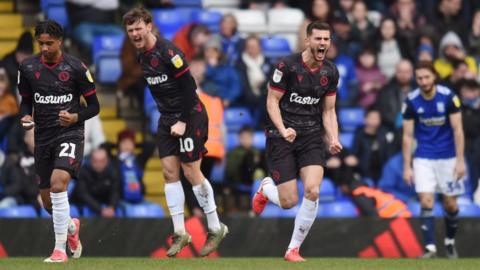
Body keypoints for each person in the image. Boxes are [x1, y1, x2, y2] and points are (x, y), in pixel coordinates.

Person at [122, 7, 228, 258]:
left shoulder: (169, 52)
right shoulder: (142, 57)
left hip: (189, 114)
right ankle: (180, 232)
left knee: (191, 171)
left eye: (138, 28)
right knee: (169, 172)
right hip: (167, 118)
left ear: (149, 26)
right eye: (130, 31)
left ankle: (215, 226)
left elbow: (190, 88)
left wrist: (182, 120)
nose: (135, 34)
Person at [252, 21, 342, 262]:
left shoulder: (330, 72)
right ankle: (265, 188)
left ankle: (293, 249)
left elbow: (328, 111)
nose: (322, 43)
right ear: (307, 40)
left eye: (326, 39)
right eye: (318, 39)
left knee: (313, 190)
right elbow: (272, 102)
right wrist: (283, 129)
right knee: (288, 201)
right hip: (281, 136)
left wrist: (333, 137)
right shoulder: (286, 66)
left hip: (311, 136)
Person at [17, 20, 100, 262]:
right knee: (47, 203)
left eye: (49, 43)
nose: (44, 48)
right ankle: (72, 228)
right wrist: (25, 115)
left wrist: (75, 116)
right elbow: (25, 101)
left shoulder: (76, 68)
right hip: (43, 137)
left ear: (60, 41)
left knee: (58, 184)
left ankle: (59, 250)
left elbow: (94, 106)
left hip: (69, 133)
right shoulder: (28, 67)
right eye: (40, 43)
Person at [402, 61, 465, 259]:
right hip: (424, 157)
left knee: (450, 205)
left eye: (427, 77)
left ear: (434, 76)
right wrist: (407, 166)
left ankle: (449, 241)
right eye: (419, 78)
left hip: (448, 157)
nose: (423, 81)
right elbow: (407, 135)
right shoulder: (411, 101)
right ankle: (430, 248)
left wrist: (460, 160)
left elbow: (458, 130)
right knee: (426, 200)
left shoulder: (449, 97)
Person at [72, 148, 121, 217]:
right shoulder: (83, 171)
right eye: (95, 161)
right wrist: (100, 209)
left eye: (102, 161)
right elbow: (82, 194)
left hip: (106, 205)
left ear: (107, 161)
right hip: (85, 205)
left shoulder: (112, 172)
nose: (98, 164)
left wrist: (112, 207)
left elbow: (115, 192)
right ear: (91, 160)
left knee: (118, 211)